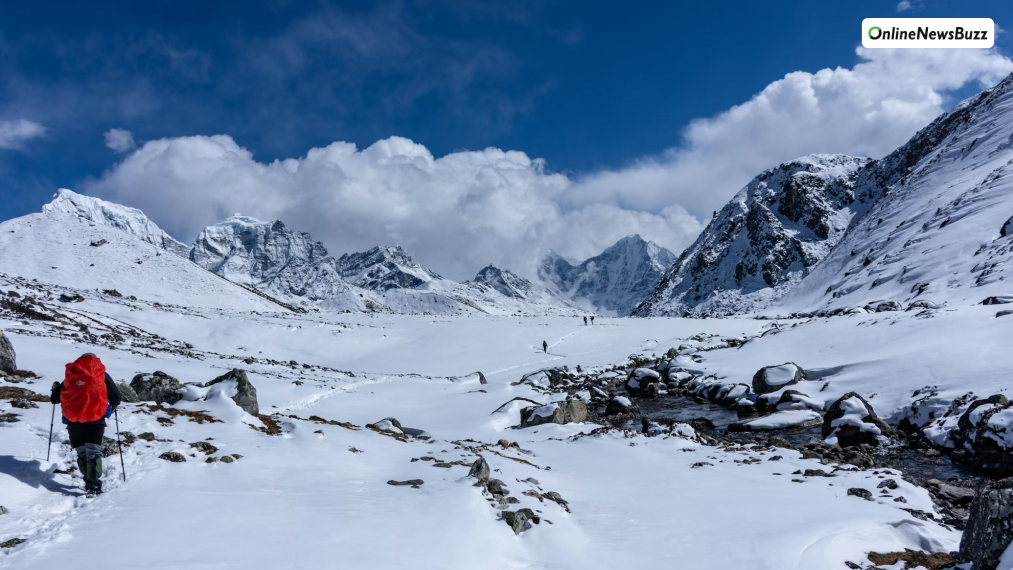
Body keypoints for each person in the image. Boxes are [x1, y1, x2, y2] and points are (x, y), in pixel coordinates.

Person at [51, 353, 122, 495]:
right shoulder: (101, 374)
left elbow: (54, 399)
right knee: (94, 451)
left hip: (73, 421)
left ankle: (88, 480)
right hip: (96, 419)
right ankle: (93, 484)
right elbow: (116, 398)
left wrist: (55, 389)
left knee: (82, 452)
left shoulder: (71, 376)